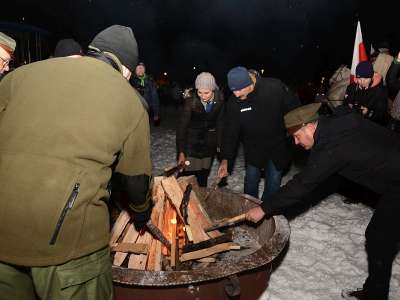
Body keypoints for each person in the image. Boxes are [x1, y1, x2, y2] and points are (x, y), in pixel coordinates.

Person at [0, 25, 152, 300]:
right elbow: (135, 179)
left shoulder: (19, 76)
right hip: (68, 242)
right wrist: (141, 211)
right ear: (127, 69)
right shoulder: (130, 100)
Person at [246, 103, 400, 300]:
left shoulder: (334, 146)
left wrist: (264, 208)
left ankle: (375, 295)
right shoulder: (336, 126)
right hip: (393, 181)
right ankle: (375, 292)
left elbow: (302, 184)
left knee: (380, 238)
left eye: (297, 135)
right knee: (379, 238)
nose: (296, 142)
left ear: (309, 125)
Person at [218, 66, 299, 203]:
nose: (236, 94)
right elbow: (231, 132)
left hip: (277, 146)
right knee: (250, 183)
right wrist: (225, 159)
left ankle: (266, 213)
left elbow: (295, 112)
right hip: (253, 148)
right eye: (233, 90)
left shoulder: (274, 88)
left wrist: (294, 135)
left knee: (273, 184)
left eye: (239, 90)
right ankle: (249, 209)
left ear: (249, 83)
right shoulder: (234, 102)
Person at [176, 72, 224, 187]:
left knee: (203, 176)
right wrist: (181, 152)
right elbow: (182, 128)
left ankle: (200, 201)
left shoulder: (220, 101)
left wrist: (220, 147)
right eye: (199, 92)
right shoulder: (191, 101)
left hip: (209, 146)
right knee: (187, 177)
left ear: (213, 89)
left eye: (206, 92)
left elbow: (221, 124)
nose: (203, 96)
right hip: (191, 146)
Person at [343, 60, 388, 125]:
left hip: (370, 126)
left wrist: (368, 112)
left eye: (366, 79)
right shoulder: (351, 87)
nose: (362, 82)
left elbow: (381, 116)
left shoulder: (381, 91)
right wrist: (349, 106)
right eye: (359, 78)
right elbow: (345, 104)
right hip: (351, 122)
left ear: (372, 77)